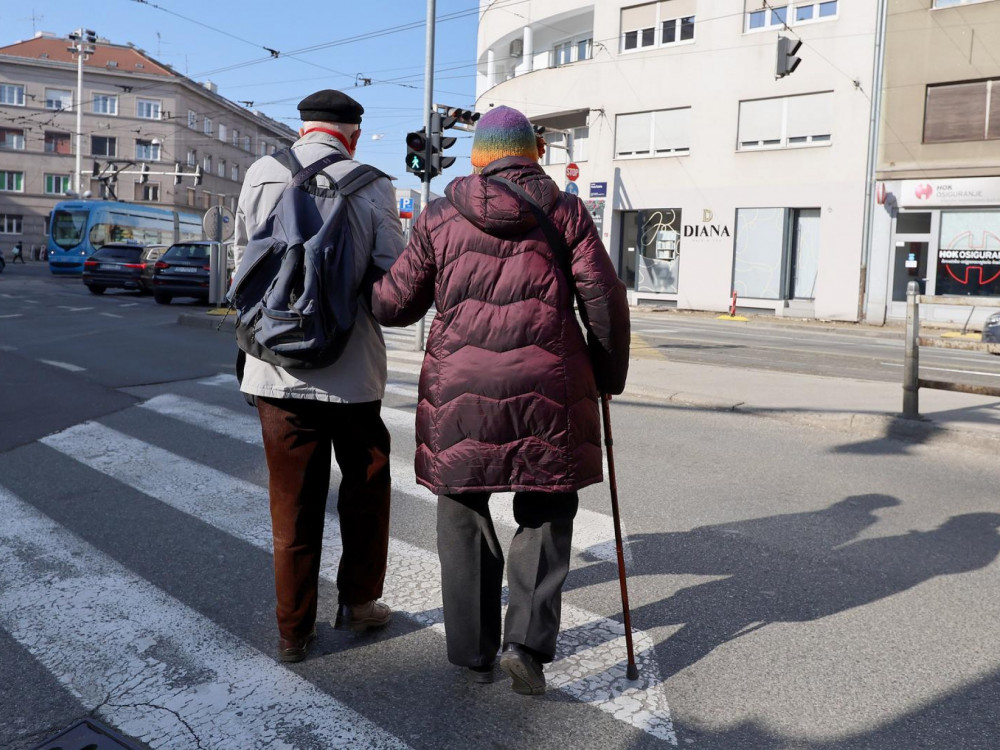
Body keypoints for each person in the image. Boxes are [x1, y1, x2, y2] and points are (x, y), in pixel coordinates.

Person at [372, 105, 630, 695]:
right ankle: (526, 646)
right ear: (532, 154)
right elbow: (604, 299)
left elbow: (395, 305)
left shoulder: (439, 216)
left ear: (478, 158)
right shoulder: (566, 211)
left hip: (460, 387)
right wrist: (607, 376)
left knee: (462, 508)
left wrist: (367, 282)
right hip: (549, 383)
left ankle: (473, 650)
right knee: (547, 507)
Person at [233, 89, 404, 663]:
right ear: (351, 134)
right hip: (352, 373)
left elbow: (243, 263)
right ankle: (359, 603)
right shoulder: (372, 183)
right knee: (365, 491)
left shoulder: (261, 173)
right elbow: (391, 280)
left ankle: (292, 633)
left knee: (292, 504)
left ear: (303, 128)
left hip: (275, 369)